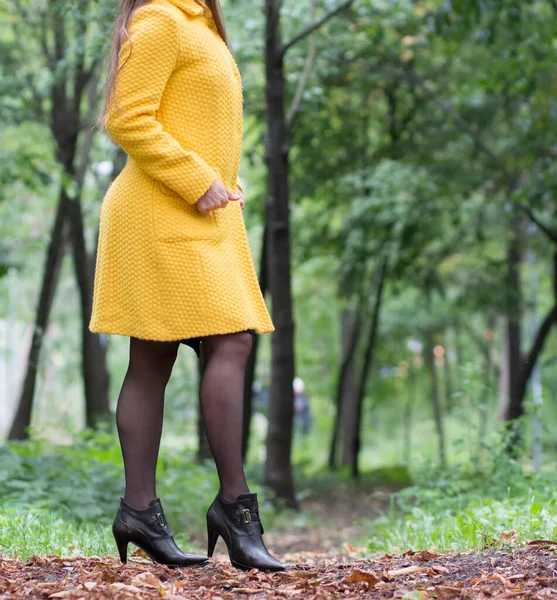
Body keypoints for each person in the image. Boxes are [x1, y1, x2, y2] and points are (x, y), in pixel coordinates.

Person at [88, 0, 284, 572]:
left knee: (162, 357)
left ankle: (141, 512)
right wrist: (198, 177)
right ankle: (230, 509)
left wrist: (224, 177)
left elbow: (197, 120)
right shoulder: (160, 20)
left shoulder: (198, 22)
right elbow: (127, 118)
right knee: (225, 343)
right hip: (158, 209)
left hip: (198, 215)